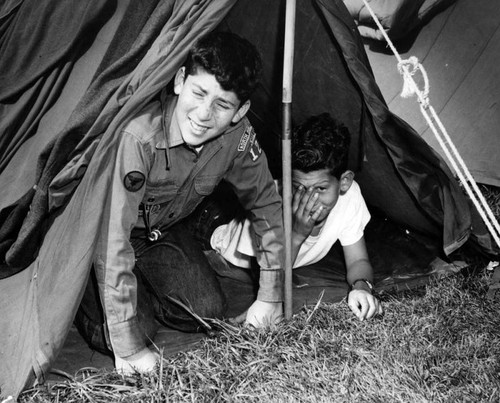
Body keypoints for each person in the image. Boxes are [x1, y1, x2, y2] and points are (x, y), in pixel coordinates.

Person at [76, 31, 284, 375]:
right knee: (132, 332)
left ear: (240, 110)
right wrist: (128, 349)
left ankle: (136, 290)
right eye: (199, 93)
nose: (204, 114)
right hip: (97, 237)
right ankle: (91, 291)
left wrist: (270, 295)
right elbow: (112, 239)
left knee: (207, 310)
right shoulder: (139, 135)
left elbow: (266, 204)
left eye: (223, 105)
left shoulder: (238, 136)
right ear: (179, 81)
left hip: (158, 233)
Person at [210, 113, 383, 321]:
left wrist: (361, 287)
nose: (310, 200)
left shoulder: (350, 196)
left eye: (320, 188)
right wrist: (297, 233)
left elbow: (358, 259)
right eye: (298, 188)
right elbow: (270, 282)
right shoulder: (268, 205)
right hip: (220, 236)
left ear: (344, 181)